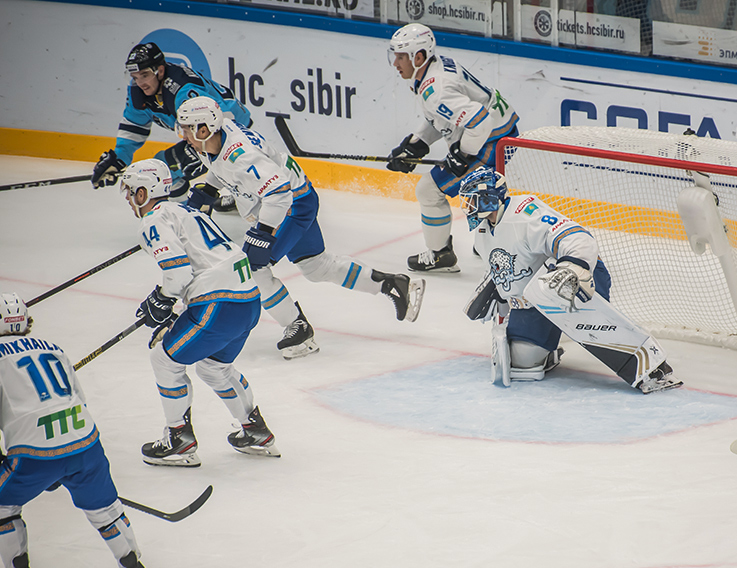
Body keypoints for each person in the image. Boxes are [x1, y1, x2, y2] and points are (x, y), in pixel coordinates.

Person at [175, 96, 425, 360]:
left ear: (204, 129)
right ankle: (394, 285)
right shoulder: (217, 135)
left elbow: (279, 191)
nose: (184, 135)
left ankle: (298, 327)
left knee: (251, 269)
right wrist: (210, 188)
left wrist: (263, 234)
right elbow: (221, 164)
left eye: (188, 129)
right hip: (297, 198)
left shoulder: (242, 155)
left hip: (291, 205)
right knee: (317, 267)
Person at [458, 167, 681, 392]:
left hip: (573, 283)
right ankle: (548, 349)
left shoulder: (526, 213)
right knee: (522, 364)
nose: (466, 206)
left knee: (557, 294)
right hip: (536, 298)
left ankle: (651, 366)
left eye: (471, 200)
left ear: (488, 198)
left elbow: (577, 237)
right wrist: (501, 297)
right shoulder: (483, 232)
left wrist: (574, 269)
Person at [0, 293, 155, 568]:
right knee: (105, 510)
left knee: (4, 507)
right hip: (86, 443)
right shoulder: (54, 348)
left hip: (33, 453)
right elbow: (78, 400)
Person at [121, 159, 278, 467]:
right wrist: (169, 302)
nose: (128, 199)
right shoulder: (185, 210)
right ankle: (254, 430)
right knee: (214, 369)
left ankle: (178, 437)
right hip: (246, 300)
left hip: (217, 302)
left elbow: (178, 274)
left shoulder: (153, 220)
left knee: (163, 359)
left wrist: (163, 299)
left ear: (143, 193)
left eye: (130, 192)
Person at [386, 23, 519, 273]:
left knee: (428, 190)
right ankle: (491, 241)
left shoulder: (436, 89)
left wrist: (463, 155)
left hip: (491, 139)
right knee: (479, 190)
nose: (396, 63)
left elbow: (479, 122)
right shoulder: (433, 70)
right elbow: (446, 118)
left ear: (419, 57)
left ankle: (440, 254)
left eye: (401, 56)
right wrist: (418, 143)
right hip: (499, 131)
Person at [91, 42, 251, 206]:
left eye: (145, 75)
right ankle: (190, 211)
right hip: (203, 131)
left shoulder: (182, 90)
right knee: (164, 168)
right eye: (135, 77)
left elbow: (215, 125)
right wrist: (119, 158)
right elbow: (134, 126)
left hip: (228, 126)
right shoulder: (139, 92)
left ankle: (199, 212)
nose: (140, 83)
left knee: (164, 169)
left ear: (160, 71)